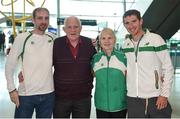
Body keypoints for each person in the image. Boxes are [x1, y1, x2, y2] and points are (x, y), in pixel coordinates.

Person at [122, 9, 174, 118]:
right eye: (127, 23)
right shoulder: (125, 44)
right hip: (133, 98)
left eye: (134, 21)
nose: (131, 26)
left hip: (155, 97)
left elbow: (168, 67)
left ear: (141, 21)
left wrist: (164, 95)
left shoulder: (156, 39)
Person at [5, 7, 56, 118]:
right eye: (40, 18)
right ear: (33, 20)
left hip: (48, 94)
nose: (43, 21)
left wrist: (90, 42)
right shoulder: (22, 38)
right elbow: (9, 65)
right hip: (26, 95)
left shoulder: (53, 38)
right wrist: (11, 89)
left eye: (46, 18)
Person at [53, 16, 97, 118]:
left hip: (83, 98)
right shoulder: (57, 44)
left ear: (81, 28)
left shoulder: (89, 44)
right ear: (64, 29)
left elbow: (97, 64)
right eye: (69, 27)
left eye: (76, 27)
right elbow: (45, 64)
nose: (73, 30)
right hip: (61, 98)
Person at [92, 28, 127, 118]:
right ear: (99, 41)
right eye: (103, 38)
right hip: (101, 105)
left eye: (109, 38)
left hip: (119, 105)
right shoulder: (95, 59)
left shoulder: (123, 58)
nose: (106, 41)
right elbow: (93, 75)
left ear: (114, 40)